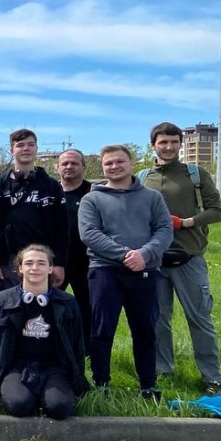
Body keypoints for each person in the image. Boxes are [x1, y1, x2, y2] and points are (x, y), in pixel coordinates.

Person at [80, 146, 174, 400]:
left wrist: (144, 254)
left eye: (119, 161)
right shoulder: (92, 199)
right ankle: (101, 383)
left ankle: (148, 384)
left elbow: (165, 229)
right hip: (105, 271)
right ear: (102, 167)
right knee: (102, 329)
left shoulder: (152, 197)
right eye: (108, 163)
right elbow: (89, 234)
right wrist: (124, 255)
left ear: (130, 163)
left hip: (145, 270)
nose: (114, 166)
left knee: (145, 329)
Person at [142, 123, 221, 395]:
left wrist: (187, 222)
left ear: (180, 145)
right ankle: (163, 370)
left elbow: (217, 209)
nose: (169, 147)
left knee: (199, 318)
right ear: (153, 144)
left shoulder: (195, 175)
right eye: (163, 142)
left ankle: (212, 377)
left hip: (190, 258)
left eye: (174, 142)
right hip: (155, 260)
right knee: (158, 319)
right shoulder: (143, 177)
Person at [0, 245, 90, 420]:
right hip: (16, 367)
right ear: (20, 268)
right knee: (20, 405)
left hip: (54, 368)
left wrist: (76, 377)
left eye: (41, 263)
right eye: (29, 263)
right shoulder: (2, 301)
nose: (34, 268)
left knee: (60, 409)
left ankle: (47, 395)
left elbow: (78, 344)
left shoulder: (67, 302)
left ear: (50, 268)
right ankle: (30, 396)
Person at [0, 129, 68, 292]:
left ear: (36, 149)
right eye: (20, 145)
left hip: (41, 261)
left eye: (31, 145)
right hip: (6, 264)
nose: (26, 149)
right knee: (9, 313)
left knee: (40, 314)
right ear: (11, 150)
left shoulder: (51, 186)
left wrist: (59, 263)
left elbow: (62, 228)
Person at [57, 149, 94, 351]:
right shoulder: (51, 193)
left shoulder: (95, 192)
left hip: (87, 262)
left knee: (87, 309)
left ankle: (87, 352)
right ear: (57, 167)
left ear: (83, 167)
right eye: (65, 164)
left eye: (74, 163)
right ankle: (54, 348)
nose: (69, 167)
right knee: (49, 307)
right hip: (56, 263)